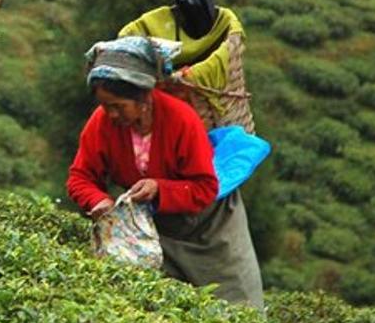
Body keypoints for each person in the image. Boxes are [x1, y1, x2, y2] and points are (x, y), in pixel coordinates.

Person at [67, 37, 263, 308]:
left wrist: (160, 188)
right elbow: (81, 176)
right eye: (105, 105)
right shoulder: (102, 123)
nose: (110, 114)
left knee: (236, 307)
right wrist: (99, 202)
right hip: (155, 226)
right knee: (155, 306)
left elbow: (205, 188)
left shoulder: (181, 120)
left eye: (118, 106)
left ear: (143, 98)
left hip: (210, 226)